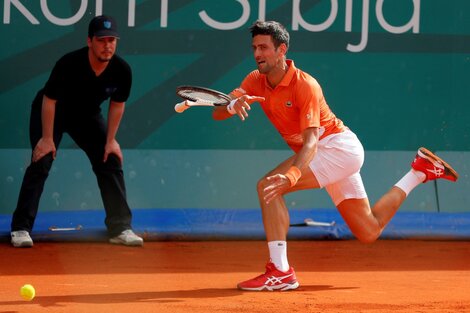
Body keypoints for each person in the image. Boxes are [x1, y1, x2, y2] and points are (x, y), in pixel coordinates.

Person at [212, 20, 458, 291]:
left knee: (269, 185)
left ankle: (280, 271)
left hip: (337, 149)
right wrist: (232, 106)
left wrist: (292, 175)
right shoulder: (254, 80)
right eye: (255, 48)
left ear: (281, 50)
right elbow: (218, 112)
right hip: (330, 154)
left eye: (264, 48)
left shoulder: (305, 85)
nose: (258, 53)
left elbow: (311, 142)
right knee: (369, 230)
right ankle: (420, 171)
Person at [10, 15, 143, 248]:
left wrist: (110, 140)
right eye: (102, 40)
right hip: (54, 111)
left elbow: (117, 105)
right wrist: (47, 138)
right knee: (42, 159)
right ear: (90, 41)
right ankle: (21, 228)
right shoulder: (69, 64)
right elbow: (49, 100)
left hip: (87, 115)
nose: (107, 45)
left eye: (112, 40)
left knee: (109, 158)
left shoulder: (122, 70)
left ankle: (120, 228)